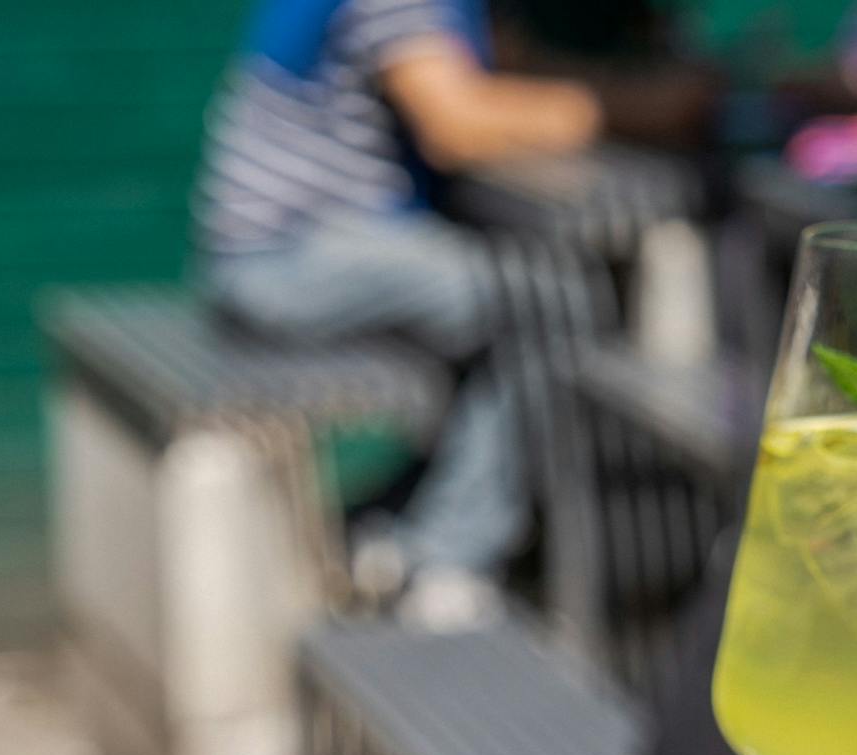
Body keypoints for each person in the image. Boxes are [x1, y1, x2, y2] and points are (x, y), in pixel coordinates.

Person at [193, 0, 604, 624]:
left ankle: (390, 527)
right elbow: (458, 122)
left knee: (521, 305)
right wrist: (605, 107)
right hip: (285, 260)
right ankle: (446, 563)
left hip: (306, 249)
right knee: (547, 301)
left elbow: (509, 77)